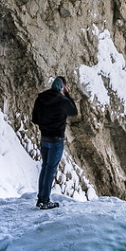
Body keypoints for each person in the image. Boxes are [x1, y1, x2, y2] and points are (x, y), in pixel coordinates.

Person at [30, 77, 78, 210]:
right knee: (50, 170)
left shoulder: (41, 98)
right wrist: (67, 95)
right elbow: (74, 111)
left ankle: (41, 198)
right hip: (57, 139)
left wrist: (45, 124)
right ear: (62, 87)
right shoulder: (62, 101)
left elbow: (35, 119)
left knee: (45, 167)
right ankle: (45, 200)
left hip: (44, 137)